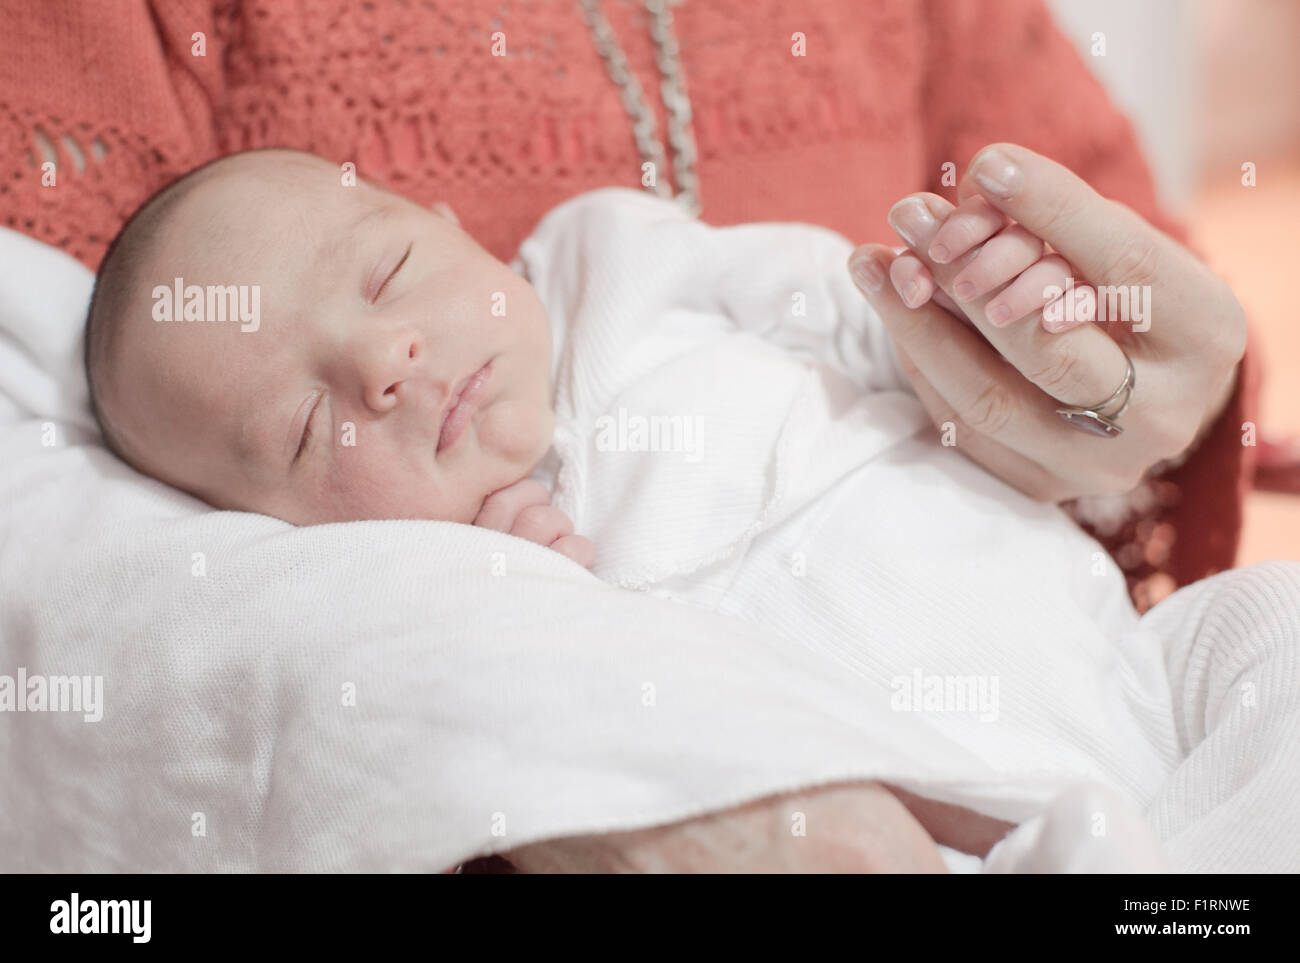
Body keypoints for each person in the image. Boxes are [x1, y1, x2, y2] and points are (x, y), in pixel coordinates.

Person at [0, 0, 1266, 871]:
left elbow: (854, 302)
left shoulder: (625, 260)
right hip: (904, 796)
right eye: (303, 427)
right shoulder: (484, 574)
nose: (385, 365)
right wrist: (519, 589)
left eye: (387, 275)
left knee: (1271, 637)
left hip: (1101, 649)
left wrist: (1010, 328)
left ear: (451, 224)